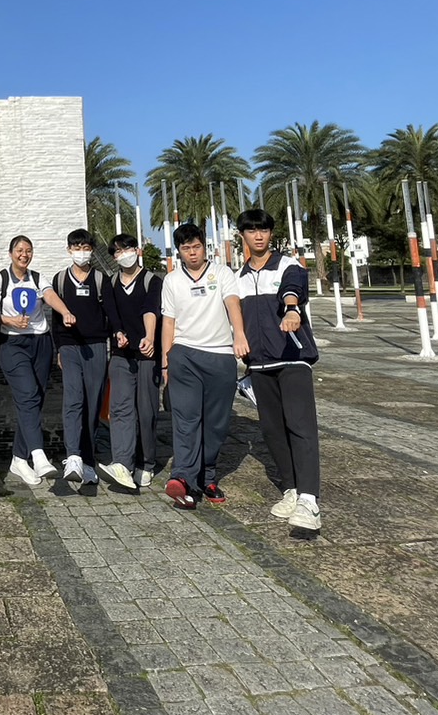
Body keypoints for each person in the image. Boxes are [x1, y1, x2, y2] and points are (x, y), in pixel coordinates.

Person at [234, 209, 322, 532]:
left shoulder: (287, 265)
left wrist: (291, 309)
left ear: (272, 233)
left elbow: (293, 288)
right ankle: (291, 489)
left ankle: (310, 501)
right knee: (272, 430)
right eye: (252, 230)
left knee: (301, 428)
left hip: (292, 359)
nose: (258, 236)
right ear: (241, 235)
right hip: (259, 363)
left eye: (264, 230)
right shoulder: (238, 277)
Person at [160, 223, 247, 510]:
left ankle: (207, 477)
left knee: (215, 423)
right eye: (186, 248)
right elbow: (168, 322)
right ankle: (182, 478)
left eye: (196, 246)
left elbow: (232, 303)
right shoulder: (172, 280)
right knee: (186, 420)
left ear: (204, 245)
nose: (192, 253)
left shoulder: (222, 273)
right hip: (184, 355)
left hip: (220, 355)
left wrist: (240, 336)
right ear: (179, 251)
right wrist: (166, 360)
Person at [0, 236, 74, 487]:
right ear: (10, 253)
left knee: (34, 400)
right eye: (19, 250)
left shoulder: (38, 278)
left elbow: (49, 296)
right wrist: (9, 321)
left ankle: (19, 458)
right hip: (12, 344)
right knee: (27, 395)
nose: (24, 255)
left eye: (28, 251)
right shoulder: (1, 279)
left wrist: (65, 311)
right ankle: (38, 455)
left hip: (40, 343)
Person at [50, 229, 112, 487]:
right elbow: (55, 318)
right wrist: (58, 350)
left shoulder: (100, 279)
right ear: (69, 250)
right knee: (73, 399)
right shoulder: (61, 279)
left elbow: (110, 313)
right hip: (70, 346)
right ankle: (72, 455)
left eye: (85, 247)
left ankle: (88, 460)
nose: (81, 252)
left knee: (93, 403)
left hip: (96, 346)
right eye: (76, 247)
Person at [102, 233, 163, 491]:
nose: (122, 255)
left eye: (125, 249)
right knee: (121, 409)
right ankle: (122, 463)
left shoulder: (151, 281)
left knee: (146, 410)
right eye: (116, 252)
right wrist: (118, 333)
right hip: (120, 354)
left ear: (136, 250)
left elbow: (151, 309)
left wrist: (149, 337)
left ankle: (146, 463)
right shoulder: (111, 282)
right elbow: (111, 313)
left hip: (147, 355)